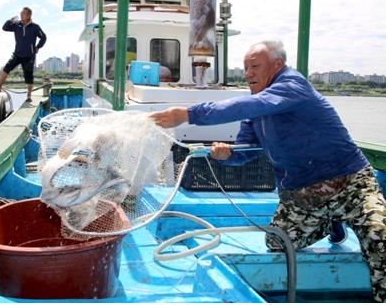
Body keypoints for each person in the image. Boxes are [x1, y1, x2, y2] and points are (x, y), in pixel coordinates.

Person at [150, 40, 386, 302]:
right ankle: (331, 220)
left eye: (255, 66)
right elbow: (245, 151)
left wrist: (189, 114)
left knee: (380, 236)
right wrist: (227, 155)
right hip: (302, 198)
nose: (248, 73)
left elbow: (250, 105)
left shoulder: (292, 85)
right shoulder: (258, 108)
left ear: (278, 65)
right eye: (245, 67)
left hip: (351, 185)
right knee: (277, 244)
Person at [0, 7, 46, 102]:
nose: (21, 15)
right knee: (6, 69)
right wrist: (10, 20)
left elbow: (43, 37)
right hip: (17, 54)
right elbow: (5, 28)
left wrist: (37, 47)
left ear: (29, 15)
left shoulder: (35, 27)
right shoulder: (16, 25)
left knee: (28, 75)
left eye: (23, 13)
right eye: (21, 13)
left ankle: (29, 95)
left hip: (29, 56)